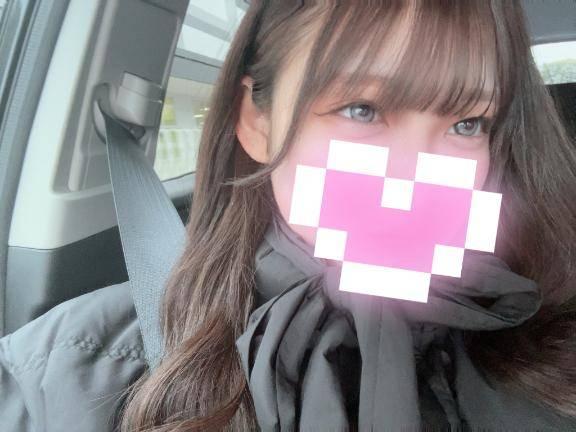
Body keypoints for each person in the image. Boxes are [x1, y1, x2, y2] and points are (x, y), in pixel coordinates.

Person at [1, 0, 575, 431]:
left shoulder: (544, 334)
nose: (416, 171)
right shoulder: (63, 374)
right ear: (257, 121)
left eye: (466, 124)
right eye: (361, 109)